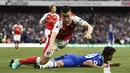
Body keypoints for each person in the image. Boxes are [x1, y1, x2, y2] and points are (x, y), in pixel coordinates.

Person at [10, 6, 93, 69]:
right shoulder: (59, 23)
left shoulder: (76, 19)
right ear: (61, 15)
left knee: (44, 59)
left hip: (65, 41)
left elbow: (89, 26)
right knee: (43, 61)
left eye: (68, 16)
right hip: (55, 41)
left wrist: (89, 33)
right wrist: (51, 45)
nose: (66, 19)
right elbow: (53, 35)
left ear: (71, 13)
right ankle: (19, 61)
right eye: (64, 17)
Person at [9, 46, 120, 69]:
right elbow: (87, 63)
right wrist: (100, 68)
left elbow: (102, 61)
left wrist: (112, 64)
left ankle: (18, 61)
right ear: (108, 55)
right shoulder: (98, 60)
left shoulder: (98, 54)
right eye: (112, 55)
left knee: (43, 60)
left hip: (71, 56)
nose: (112, 57)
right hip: (74, 60)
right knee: (57, 65)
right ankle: (41, 67)